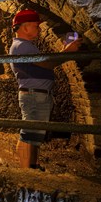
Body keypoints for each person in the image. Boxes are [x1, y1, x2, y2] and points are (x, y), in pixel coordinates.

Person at [9, 9, 81, 170]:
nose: (39, 29)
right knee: (29, 134)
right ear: (25, 27)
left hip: (36, 95)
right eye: (36, 26)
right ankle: (26, 171)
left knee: (34, 134)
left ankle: (32, 166)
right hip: (34, 95)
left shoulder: (24, 46)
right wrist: (66, 53)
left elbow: (44, 63)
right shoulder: (22, 46)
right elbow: (47, 63)